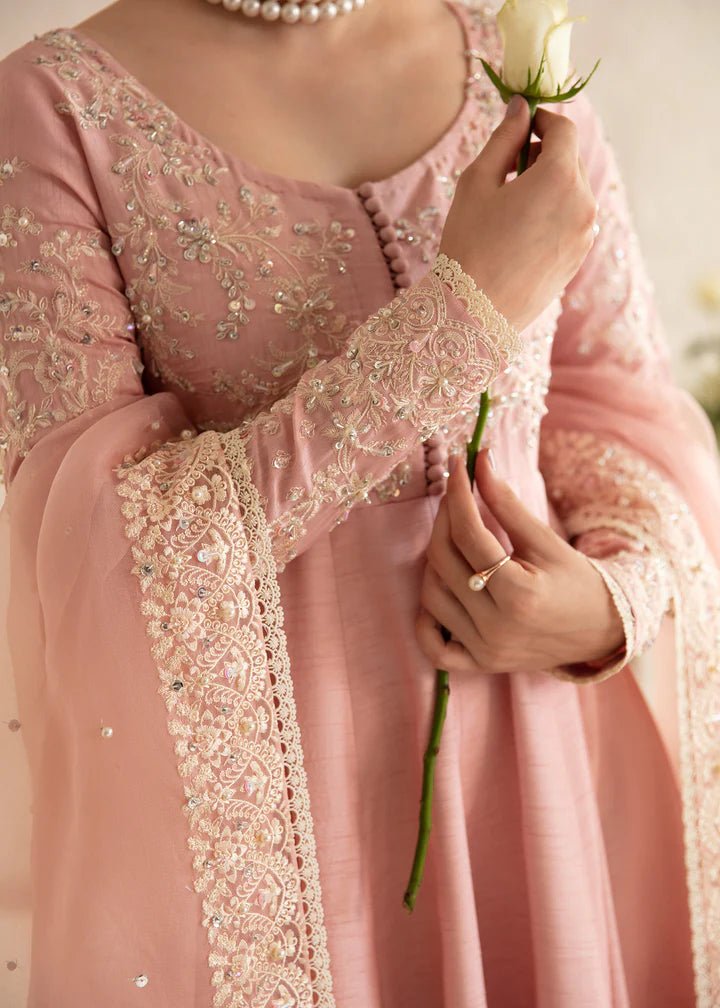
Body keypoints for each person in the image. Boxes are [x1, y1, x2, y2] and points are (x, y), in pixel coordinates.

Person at [0, 0, 718, 1004]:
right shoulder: (55, 108)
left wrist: (606, 606)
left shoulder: (504, 61)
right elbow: (102, 560)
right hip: (286, 836)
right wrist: (460, 322)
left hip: (539, 786)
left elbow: (623, 428)